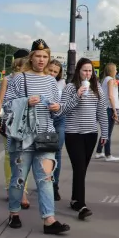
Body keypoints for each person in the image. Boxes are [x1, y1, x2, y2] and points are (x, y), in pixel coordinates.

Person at [3, 39, 70, 234]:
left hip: (45, 135)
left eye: (45, 57)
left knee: (46, 178)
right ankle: (14, 213)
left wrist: (57, 108)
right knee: (19, 178)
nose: (41, 60)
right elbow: (7, 106)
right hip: (22, 137)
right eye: (38, 56)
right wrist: (25, 102)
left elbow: (57, 111)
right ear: (31, 57)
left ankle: (49, 219)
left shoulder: (51, 81)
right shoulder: (19, 78)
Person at [59, 58, 109, 220]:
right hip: (73, 134)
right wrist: (77, 96)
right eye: (84, 70)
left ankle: (75, 199)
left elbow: (102, 112)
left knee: (82, 169)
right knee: (79, 167)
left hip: (91, 134)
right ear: (78, 72)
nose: (87, 74)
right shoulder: (70, 88)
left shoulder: (97, 89)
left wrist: (105, 133)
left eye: (90, 71)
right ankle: (81, 205)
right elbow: (62, 110)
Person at [0, 49, 30, 208]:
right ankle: (10, 189)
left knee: (24, 157)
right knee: (10, 157)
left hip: (26, 123)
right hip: (9, 123)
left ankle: (23, 193)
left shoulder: (30, 79)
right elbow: (0, 100)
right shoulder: (7, 79)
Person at [47, 59, 66, 201]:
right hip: (45, 118)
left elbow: (65, 103)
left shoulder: (63, 84)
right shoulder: (42, 81)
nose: (52, 73)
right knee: (44, 152)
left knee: (57, 150)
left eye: (55, 72)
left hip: (59, 118)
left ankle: (55, 186)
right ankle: (45, 182)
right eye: (51, 70)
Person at [96, 63, 119, 161]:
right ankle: (108, 155)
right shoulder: (110, 80)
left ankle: (99, 151)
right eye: (116, 69)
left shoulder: (105, 80)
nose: (117, 71)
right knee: (108, 132)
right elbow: (110, 96)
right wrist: (114, 110)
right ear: (112, 70)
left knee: (105, 132)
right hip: (109, 108)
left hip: (106, 107)